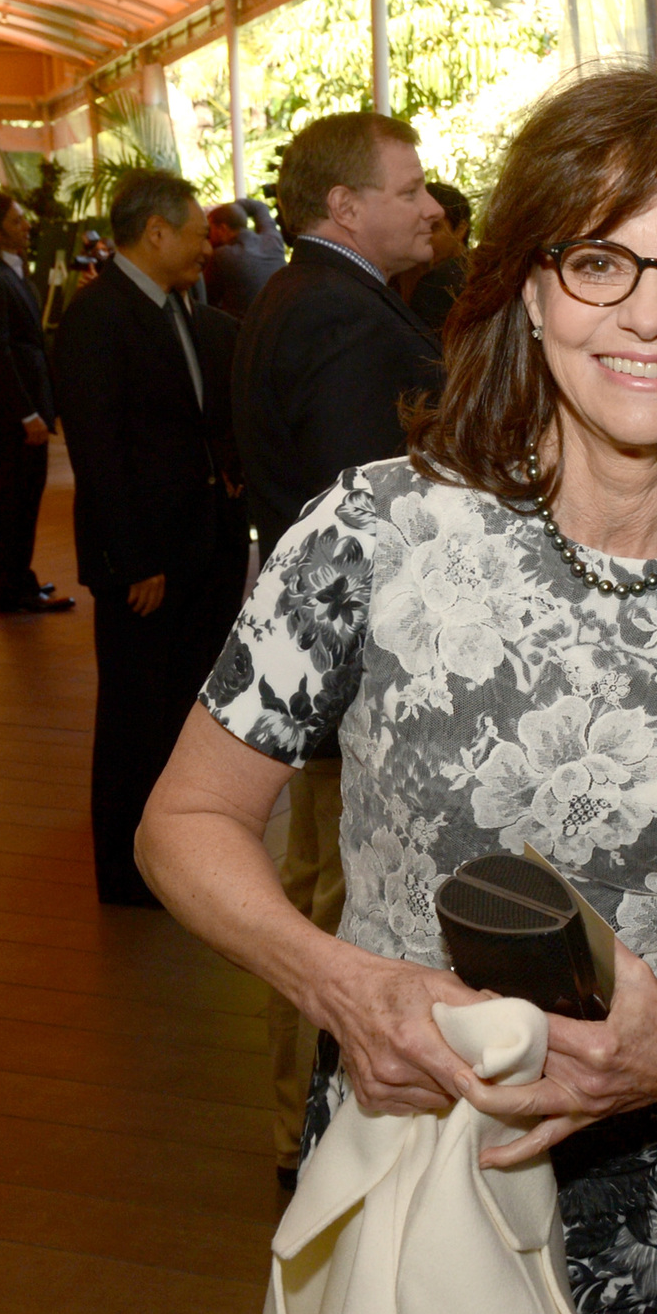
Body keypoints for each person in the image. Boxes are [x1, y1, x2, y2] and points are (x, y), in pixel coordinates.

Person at [141, 67, 657, 1314]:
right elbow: (184, 820)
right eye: (603, 260)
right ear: (533, 286)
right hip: (407, 1155)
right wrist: (340, 985)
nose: (651, 313)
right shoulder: (373, 533)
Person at [230, 111, 448, 1190]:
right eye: (408, 190)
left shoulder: (301, 296)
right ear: (342, 207)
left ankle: (294, 1127)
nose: (430, 207)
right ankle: (313, 1132)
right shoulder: (350, 321)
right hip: (356, 672)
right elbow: (370, 521)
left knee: (316, 886)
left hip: (323, 667)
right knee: (330, 902)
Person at [51, 170, 249, 908]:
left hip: (200, 541)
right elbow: (99, 450)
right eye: (197, 232)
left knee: (182, 705)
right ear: (156, 232)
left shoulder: (177, 307)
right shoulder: (99, 316)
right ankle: (126, 875)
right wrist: (135, 559)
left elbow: (190, 421)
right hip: (146, 559)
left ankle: (175, 855)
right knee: (136, 714)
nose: (209, 242)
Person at [0, 193, 73, 614]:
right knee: (17, 499)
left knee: (21, 497)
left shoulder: (7, 272)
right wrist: (27, 413)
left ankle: (7, 579)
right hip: (16, 409)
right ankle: (10, 587)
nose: (26, 226)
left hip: (26, 402)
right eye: (15, 221)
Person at [396, 179, 472, 334]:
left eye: (434, 227)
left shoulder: (439, 283)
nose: (424, 235)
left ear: (460, 230)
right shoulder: (406, 273)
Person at [204, 201, 285, 318]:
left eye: (209, 230)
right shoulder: (273, 240)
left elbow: (208, 302)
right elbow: (259, 206)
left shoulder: (222, 256)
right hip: (281, 322)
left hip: (245, 331)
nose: (208, 235)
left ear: (222, 229)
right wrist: (230, 209)